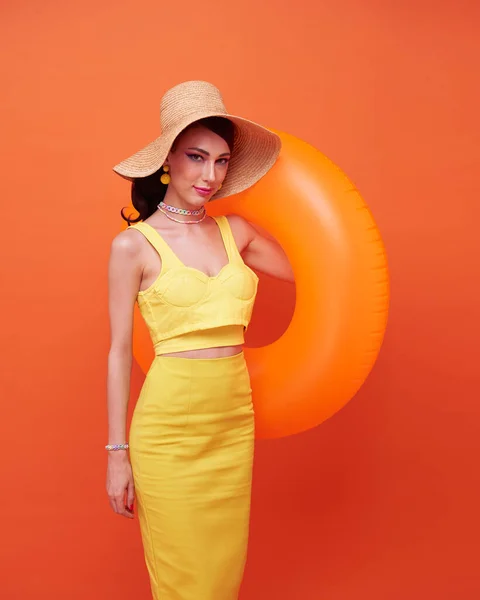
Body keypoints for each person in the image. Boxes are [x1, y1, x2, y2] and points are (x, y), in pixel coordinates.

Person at [105, 80, 294, 600]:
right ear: (169, 158)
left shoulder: (240, 232)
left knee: (220, 580)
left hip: (232, 426)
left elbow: (329, 274)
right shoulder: (132, 247)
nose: (210, 175)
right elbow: (120, 352)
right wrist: (116, 452)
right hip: (167, 432)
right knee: (184, 580)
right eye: (196, 157)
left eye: (222, 161)